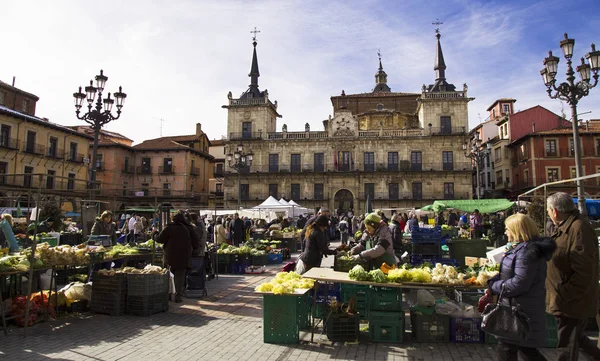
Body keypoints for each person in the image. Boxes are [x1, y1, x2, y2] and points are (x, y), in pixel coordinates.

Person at [487, 213, 556, 361]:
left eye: (508, 229)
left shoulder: (526, 253)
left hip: (520, 309)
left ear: (516, 230)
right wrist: (497, 278)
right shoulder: (521, 249)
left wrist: (495, 285)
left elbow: (519, 283)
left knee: (507, 349)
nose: (505, 232)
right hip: (519, 307)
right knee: (525, 349)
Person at [545, 192, 600, 361]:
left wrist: (564, 294)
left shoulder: (579, 228)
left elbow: (584, 272)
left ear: (555, 211)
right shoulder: (565, 227)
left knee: (567, 347)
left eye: (548, 210)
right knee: (578, 340)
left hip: (571, 303)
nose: (548, 213)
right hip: (565, 300)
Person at [158, 211, 200, 303]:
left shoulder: (169, 228)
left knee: (169, 275)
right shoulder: (189, 228)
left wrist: (154, 234)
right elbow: (196, 242)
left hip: (170, 255)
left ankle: (168, 295)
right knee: (180, 276)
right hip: (184, 255)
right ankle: (178, 295)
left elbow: (160, 239)